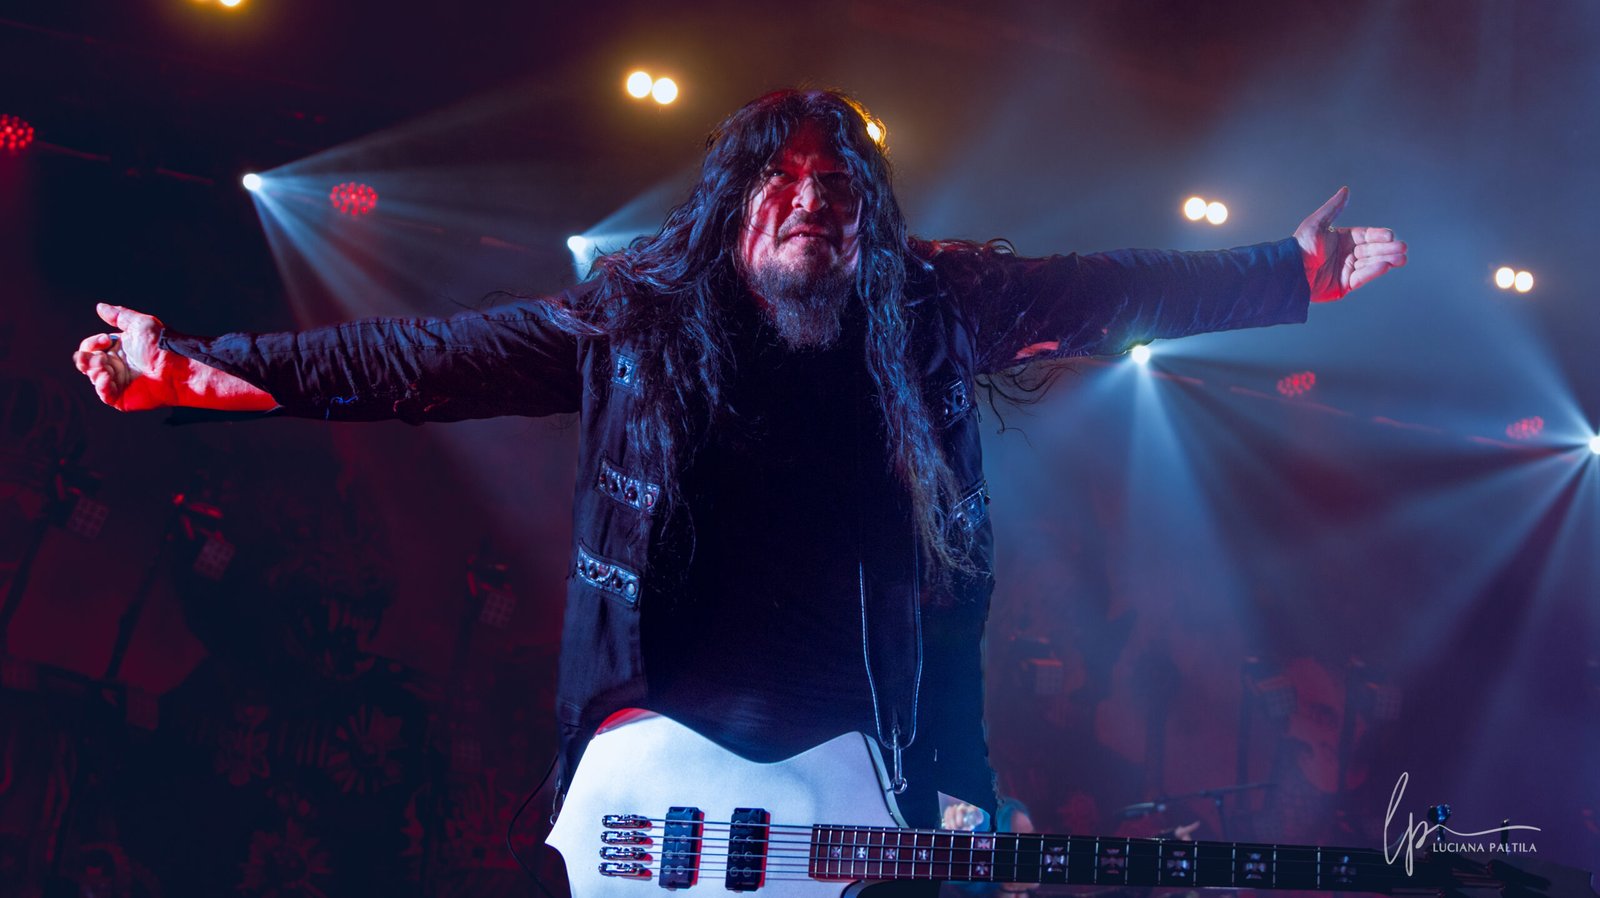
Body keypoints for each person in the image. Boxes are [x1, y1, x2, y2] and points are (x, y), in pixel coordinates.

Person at [71, 89, 1406, 838]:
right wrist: (198, 369)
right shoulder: (637, 318)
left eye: (839, 185)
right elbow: (423, 360)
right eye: (782, 178)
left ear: (869, 219)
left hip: (858, 766)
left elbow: (1113, 290)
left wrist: (1285, 273)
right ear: (733, 207)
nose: (812, 197)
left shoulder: (935, 309)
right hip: (655, 775)